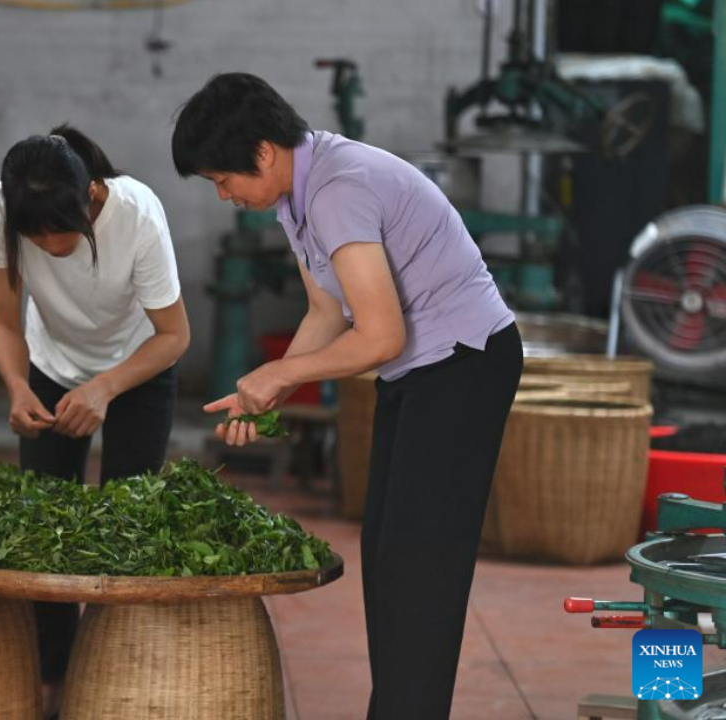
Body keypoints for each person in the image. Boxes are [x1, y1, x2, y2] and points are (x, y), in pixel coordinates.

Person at [171, 73, 523, 720]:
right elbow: (327, 314)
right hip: (420, 372)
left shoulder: (338, 188)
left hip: (464, 365)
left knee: (420, 571)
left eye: (224, 179)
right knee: (389, 560)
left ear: (264, 152)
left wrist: (279, 377)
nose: (223, 195)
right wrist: (269, 386)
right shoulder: (296, 195)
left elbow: (381, 335)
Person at [0, 124, 190, 715]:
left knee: (127, 524)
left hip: (138, 369)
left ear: (90, 196)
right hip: (48, 365)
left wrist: (106, 388)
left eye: (61, 229)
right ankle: (54, 685)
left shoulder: (138, 214)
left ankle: (115, 679)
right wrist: (16, 389)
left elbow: (174, 337)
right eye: (34, 234)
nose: (49, 243)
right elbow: (5, 321)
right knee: (45, 529)